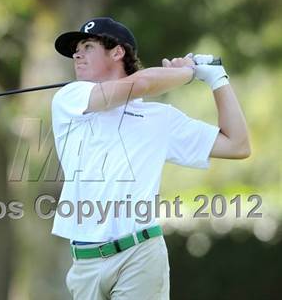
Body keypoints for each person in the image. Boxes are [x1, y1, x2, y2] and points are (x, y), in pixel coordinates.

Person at [51, 17, 250, 300]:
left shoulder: (159, 118)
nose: (77, 54)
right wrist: (192, 72)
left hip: (140, 255)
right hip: (85, 263)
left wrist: (217, 78)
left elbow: (237, 144)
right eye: (76, 49)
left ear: (117, 52)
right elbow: (142, 83)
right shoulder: (71, 98)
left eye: (87, 46)